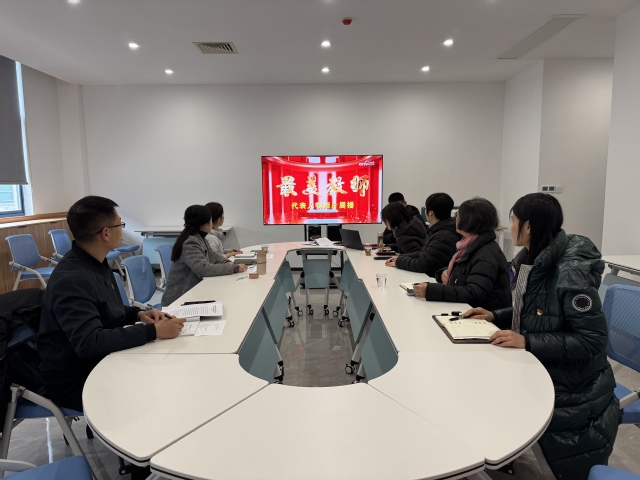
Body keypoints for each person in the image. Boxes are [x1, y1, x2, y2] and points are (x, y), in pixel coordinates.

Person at [463, 193, 619, 480]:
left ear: (528, 226)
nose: (509, 227)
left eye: (512, 220)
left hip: (573, 383)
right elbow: (538, 312)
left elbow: (592, 340)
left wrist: (528, 341)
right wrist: (495, 315)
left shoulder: (570, 272)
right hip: (545, 365)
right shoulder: (532, 259)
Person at [38, 195, 186, 412]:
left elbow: (103, 308)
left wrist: (137, 314)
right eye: (120, 225)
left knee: (167, 370)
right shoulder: (73, 280)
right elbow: (89, 342)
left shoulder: (95, 262)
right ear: (106, 233)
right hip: (75, 378)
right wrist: (154, 331)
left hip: (101, 360)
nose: (121, 230)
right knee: (159, 389)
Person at [413, 197, 510, 310]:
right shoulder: (468, 244)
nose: (455, 218)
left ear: (470, 221)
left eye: (458, 215)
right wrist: (443, 273)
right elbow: (464, 273)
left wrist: (431, 291)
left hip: (481, 315)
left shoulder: (485, 254)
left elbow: (474, 293)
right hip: (466, 309)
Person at [162, 205, 247, 306]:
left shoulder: (199, 237)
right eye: (211, 220)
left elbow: (213, 256)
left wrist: (227, 262)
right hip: (179, 300)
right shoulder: (190, 242)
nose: (212, 223)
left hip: (192, 293)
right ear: (205, 225)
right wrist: (234, 268)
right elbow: (204, 269)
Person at [386, 193, 460, 277]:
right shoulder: (438, 231)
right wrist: (400, 258)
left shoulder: (443, 236)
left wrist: (399, 262)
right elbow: (423, 254)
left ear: (431, 213)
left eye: (426, 208)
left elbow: (423, 264)